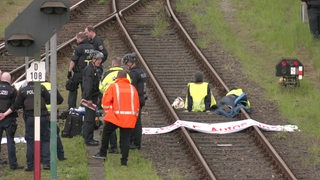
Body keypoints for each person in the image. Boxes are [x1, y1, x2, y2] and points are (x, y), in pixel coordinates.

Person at [0, 79, 53, 171]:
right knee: (45, 140)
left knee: (30, 141)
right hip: (42, 116)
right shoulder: (42, 88)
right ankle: (46, 163)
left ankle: (30, 165)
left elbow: (16, 105)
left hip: (29, 118)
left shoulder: (23, 90)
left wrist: (4, 114)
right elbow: (49, 101)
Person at [93, 70, 140, 167]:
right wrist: (134, 117)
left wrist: (109, 113)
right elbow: (137, 105)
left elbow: (105, 103)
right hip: (129, 118)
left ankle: (102, 153)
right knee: (125, 139)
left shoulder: (113, 87)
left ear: (117, 78)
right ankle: (124, 162)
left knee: (106, 133)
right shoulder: (132, 88)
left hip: (115, 117)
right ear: (126, 78)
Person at [99, 57, 131, 153]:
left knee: (109, 126)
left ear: (113, 64)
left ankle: (112, 147)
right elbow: (130, 86)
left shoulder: (106, 74)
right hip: (123, 104)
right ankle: (123, 150)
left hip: (110, 103)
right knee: (124, 129)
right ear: (120, 64)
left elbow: (101, 87)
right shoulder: (126, 74)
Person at [122, 53, 147, 150]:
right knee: (137, 121)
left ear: (129, 63)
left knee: (135, 122)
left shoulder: (133, 74)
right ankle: (136, 142)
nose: (126, 65)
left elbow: (130, 87)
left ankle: (135, 143)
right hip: (141, 98)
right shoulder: (141, 72)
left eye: (126, 63)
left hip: (135, 99)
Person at [0, 72, 24, 170]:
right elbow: (15, 106)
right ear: (9, 80)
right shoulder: (13, 90)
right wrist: (5, 114)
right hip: (9, 119)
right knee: (10, 141)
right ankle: (13, 165)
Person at [67, 31, 95, 109]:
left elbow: (73, 60)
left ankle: (71, 107)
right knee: (85, 90)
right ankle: (84, 107)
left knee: (72, 88)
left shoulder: (78, 48)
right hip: (89, 72)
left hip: (78, 72)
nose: (76, 41)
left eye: (77, 39)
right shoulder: (92, 47)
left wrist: (69, 71)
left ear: (80, 38)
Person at [82, 51, 103, 146]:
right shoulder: (89, 70)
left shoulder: (94, 69)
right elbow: (88, 86)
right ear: (93, 59)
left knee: (91, 118)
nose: (100, 61)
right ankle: (88, 139)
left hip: (94, 97)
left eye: (100, 60)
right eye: (98, 59)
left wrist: (98, 96)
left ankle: (89, 137)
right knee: (89, 119)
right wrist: (89, 98)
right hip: (90, 98)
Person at [41, 80, 66, 161]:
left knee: (42, 136)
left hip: (42, 113)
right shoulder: (51, 86)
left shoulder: (38, 87)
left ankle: (43, 157)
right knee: (55, 134)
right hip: (52, 113)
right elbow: (60, 100)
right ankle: (61, 155)